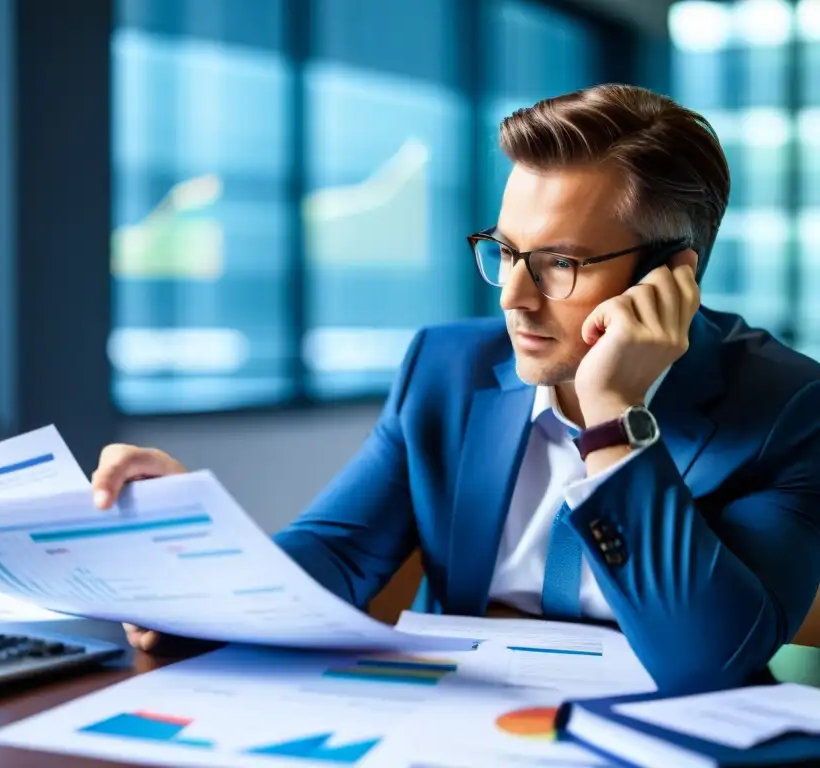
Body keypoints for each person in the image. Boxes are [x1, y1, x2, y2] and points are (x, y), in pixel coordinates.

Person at [92, 84, 820, 695]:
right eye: (504, 251)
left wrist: (613, 420)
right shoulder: (446, 367)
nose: (514, 296)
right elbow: (340, 555)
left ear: (673, 278)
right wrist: (200, 548)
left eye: (559, 263)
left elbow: (709, 665)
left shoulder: (787, 408)